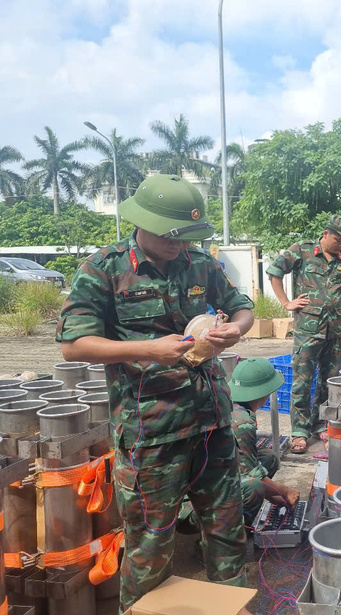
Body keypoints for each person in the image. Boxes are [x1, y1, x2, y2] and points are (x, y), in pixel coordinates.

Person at [56, 174, 254, 612]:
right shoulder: (104, 269)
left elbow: (241, 306)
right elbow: (74, 345)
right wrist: (148, 349)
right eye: (171, 237)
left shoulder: (199, 263)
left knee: (227, 532)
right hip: (151, 433)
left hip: (211, 423)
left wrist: (235, 330)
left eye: (186, 238)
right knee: (150, 546)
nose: (178, 246)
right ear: (144, 223)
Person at [266, 215, 341, 454]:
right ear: (326, 233)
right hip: (308, 330)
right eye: (338, 239)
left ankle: (322, 424)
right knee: (302, 381)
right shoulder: (302, 250)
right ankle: (299, 431)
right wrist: (286, 303)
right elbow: (274, 273)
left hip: (335, 330)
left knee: (330, 381)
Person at [178, 358, 299, 535]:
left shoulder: (229, 402)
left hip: (201, 484)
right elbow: (252, 477)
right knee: (253, 487)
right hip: (188, 507)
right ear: (265, 393)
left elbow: (245, 466)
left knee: (268, 458)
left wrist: (275, 495)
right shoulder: (241, 422)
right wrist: (285, 491)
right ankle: (229, 536)